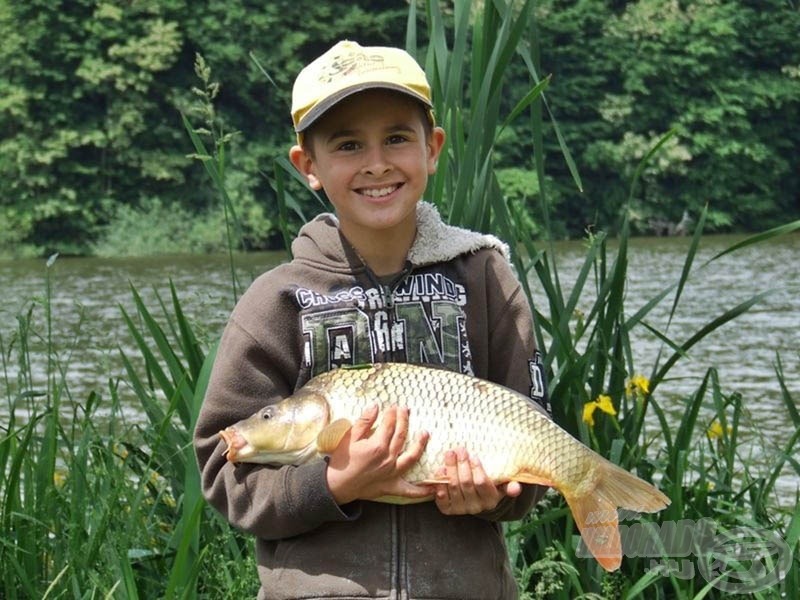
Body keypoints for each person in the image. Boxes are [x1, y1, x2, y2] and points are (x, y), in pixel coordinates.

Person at [193, 40, 551, 600]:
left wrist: (499, 494)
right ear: (307, 165)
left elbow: (529, 433)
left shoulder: (485, 279)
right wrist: (334, 482)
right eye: (348, 144)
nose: (377, 162)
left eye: (396, 138)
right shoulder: (275, 300)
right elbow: (223, 470)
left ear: (432, 148)